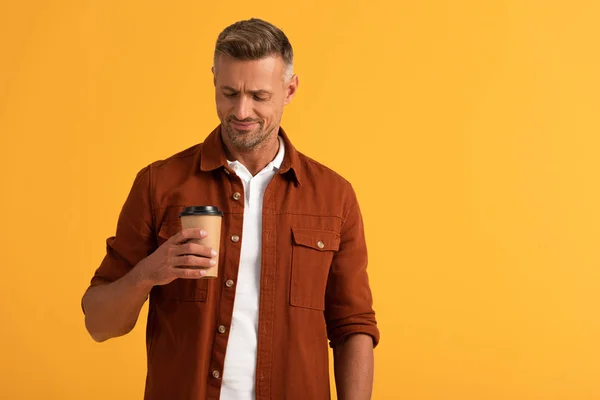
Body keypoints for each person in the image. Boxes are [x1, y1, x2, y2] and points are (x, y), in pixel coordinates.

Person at [81, 18, 379, 400]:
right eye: (228, 93)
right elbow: (99, 324)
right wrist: (147, 274)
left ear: (289, 90)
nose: (241, 111)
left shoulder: (333, 197)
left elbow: (352, 325)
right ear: (213, 82)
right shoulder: (159, 184)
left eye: (259, 96)